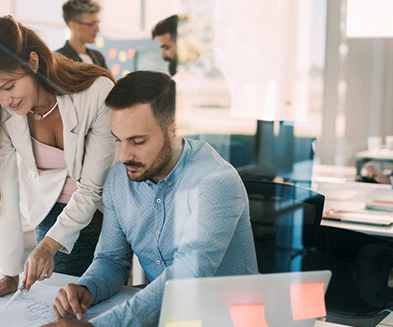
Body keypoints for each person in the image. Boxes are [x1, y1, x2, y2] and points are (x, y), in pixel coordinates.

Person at [44, 71, 258, 327]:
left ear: (175, 130)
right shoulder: (119, 179)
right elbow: (111, 260)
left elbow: (187, 277)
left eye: (137, 141)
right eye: (118, 140)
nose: (124, 155)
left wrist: (96, 326)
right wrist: (87, 289)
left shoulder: (214, 181)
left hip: (227, 319)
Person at [0, 16, 116, 301]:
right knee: (56, 299)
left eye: (8, 87)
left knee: (98, 293)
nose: (4, 102)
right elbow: (2, 191)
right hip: (49, 211)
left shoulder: (96, 93)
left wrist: (50, 244)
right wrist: (8, 273)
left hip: (105, 209)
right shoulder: (0, 111)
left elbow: (93, 189)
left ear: (32, 62)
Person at [56, 0, 108, 69]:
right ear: (73, 25)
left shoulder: (98, 57)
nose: (97, 29)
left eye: (97, 23)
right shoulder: (58, 59)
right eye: (92, 24)